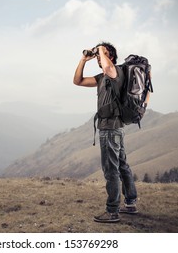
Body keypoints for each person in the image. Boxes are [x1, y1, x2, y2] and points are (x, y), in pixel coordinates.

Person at [73, 42, 139, 223]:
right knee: (122, 165)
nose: (99, 57)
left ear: (111, 56)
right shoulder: (101, 77)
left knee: (111, 170)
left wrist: (101, 49)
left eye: (103, 54)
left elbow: (109, 67)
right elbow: (77, 81)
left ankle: (112, 211)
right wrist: (84, 59)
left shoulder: (116, 72)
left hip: (110, 129)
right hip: (113, 128)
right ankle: (131, 203)